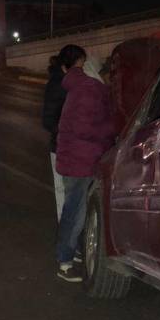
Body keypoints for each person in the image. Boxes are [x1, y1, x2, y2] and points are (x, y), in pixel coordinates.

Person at [54, 49, 115, 282]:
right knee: (75, 212)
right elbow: (84, 128)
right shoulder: (90, 88)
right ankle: (65, 261)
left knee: (75, 210)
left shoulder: (77, 87)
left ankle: (71, 253)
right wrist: (113, 129)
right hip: (82, 160)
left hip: (73, 158)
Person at [42, 45, 84, 221]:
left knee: (72, 190)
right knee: (63, 189)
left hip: (74, 145)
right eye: (80, 64)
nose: (82, 68)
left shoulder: (72, 82)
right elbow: (48, 120)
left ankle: (70, 228)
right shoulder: (58, 85)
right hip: (61, 146)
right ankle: (66, 228)